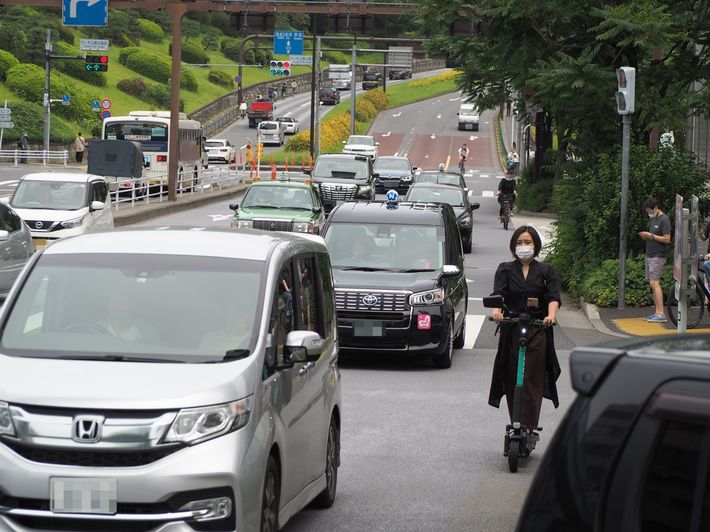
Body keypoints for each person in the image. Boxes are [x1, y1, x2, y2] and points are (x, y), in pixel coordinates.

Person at [489, 225, 561, 441]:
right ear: (513, 246)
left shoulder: (546, 271)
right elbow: (498, 295)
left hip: (537, 329)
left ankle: (529, 425)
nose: (523, 246)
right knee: (512, 376)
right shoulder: (505, 269)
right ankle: (516, 422)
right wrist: (496, 312)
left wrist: (551, 315)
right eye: (519, 242)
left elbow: (553, 297)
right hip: (512, 328)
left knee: (531, 378)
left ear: (535, 245)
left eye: (527, 242)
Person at [639, 198, 671, 322]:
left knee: (655, 282)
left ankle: (661, 314)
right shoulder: (654, 220)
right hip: (650, 254)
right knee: (652, 283)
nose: (649, 213)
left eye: (650, 211)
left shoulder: (664, 219)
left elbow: (667, 239)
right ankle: (657, 312)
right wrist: (647, 236)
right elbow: (654, 237)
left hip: (658, 255)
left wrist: (651, 235)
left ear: (656, 208)